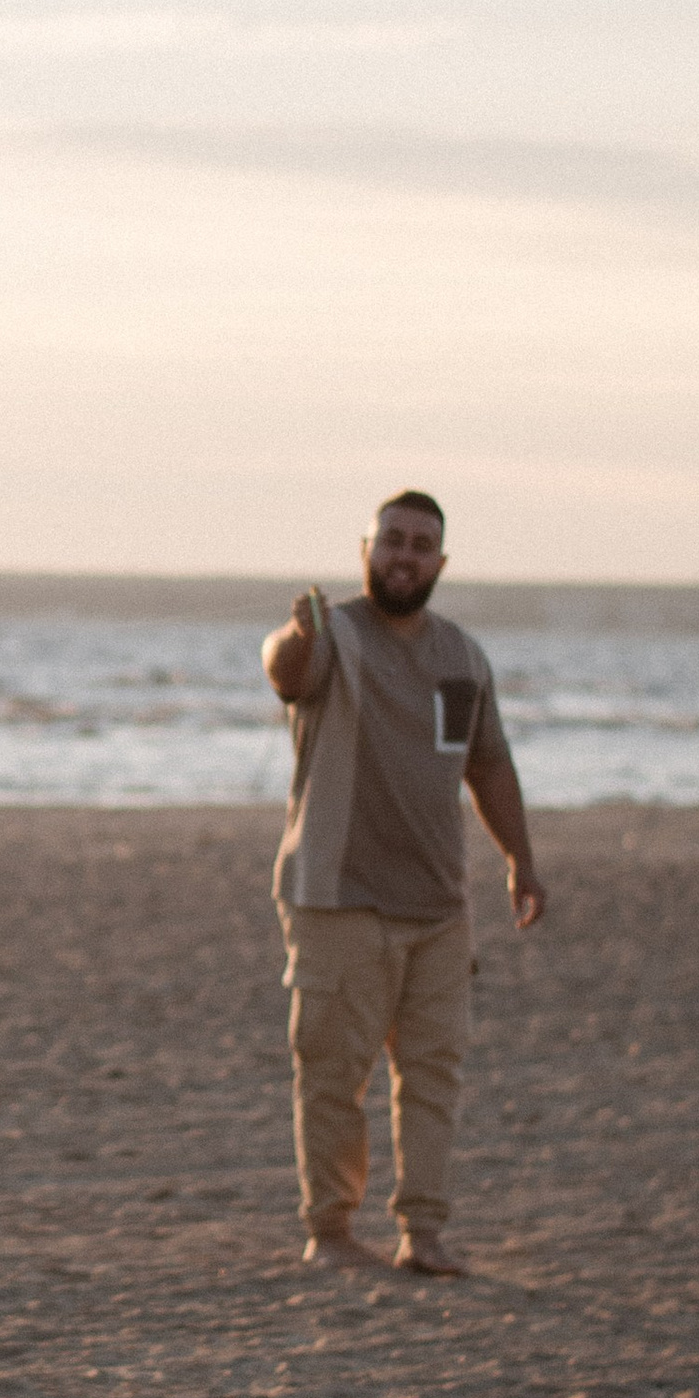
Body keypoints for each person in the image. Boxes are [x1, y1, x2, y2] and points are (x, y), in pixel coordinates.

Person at [262, 489, 545, 1280]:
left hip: (439, 907)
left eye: (422, 544)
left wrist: (520, 860)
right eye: (392, 540)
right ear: (366, 548)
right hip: (338, 898)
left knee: (433, 1073)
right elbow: (284, 669)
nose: (405, 556)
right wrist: (298, 631)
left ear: (441, 562)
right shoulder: (332, 636)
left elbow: (487, 763)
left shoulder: (463, 656)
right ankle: (332, 1228)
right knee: (331, 1073)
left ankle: (424, 1232)